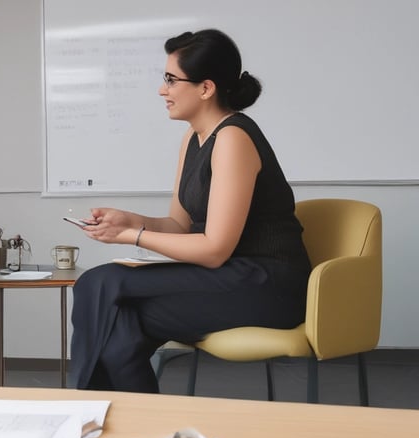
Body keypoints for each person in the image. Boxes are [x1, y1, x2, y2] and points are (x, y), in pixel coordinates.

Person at [70, 29, 311, 393]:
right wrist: (130, 220)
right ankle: (142, 431)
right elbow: (180, 225)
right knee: (120, 324)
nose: (161, 90)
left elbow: (214, 250)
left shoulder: (233, 139)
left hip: (267, 284)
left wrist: (132, 236)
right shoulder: (194, 137)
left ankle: (86, 408)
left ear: (206, 88)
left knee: (100, 282)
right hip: (228, 276)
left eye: (171, 80)